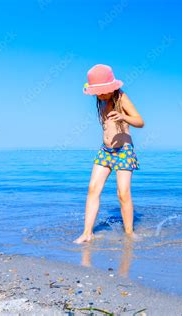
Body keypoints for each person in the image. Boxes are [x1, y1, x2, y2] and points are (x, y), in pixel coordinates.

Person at [74, 64, 144, 244]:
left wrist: (123, 117)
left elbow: (140, 121)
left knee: (123, 193)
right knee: (92, 189)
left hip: (123, 151)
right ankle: (87, 233)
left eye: (102, 91)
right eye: (96, 92)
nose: (99, 95)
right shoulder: (101, 101)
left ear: (110, 88)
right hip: (105, 151)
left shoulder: (122, 98)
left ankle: (129, 234)